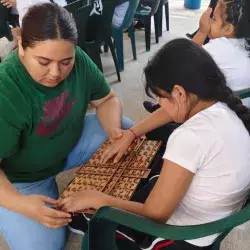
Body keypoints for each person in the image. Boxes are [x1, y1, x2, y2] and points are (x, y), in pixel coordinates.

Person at [58, 38, 250, 249]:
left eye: (160, 96)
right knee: (150, 173)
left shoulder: (190, 137)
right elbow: (171, 112)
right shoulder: (223, 106)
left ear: (179, 93)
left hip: (178, 237)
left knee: (96, 221)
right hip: (210, 221)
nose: (159, 104)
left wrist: (98, 199)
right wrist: (131, 133)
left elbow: (155, 214)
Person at [0, 3, 133, 250]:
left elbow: (106, 100)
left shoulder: (79, 60)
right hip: (24, 178)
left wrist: (114, 132)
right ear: (21, 46)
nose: (55, 72)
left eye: (65, 61)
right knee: (43, 246)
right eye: (44, 61)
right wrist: (20, 203)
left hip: (70, 145)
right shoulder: (6, 90)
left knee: (126, 129)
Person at [144, 0, 250, 112]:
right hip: (242, 109)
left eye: (213, 18)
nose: (209, 21)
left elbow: (183, 59)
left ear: (228, 29)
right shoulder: (245, 44)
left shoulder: (217, 49)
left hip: (218, 111)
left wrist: (202, 32)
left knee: (176, 77)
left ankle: (164, 107)